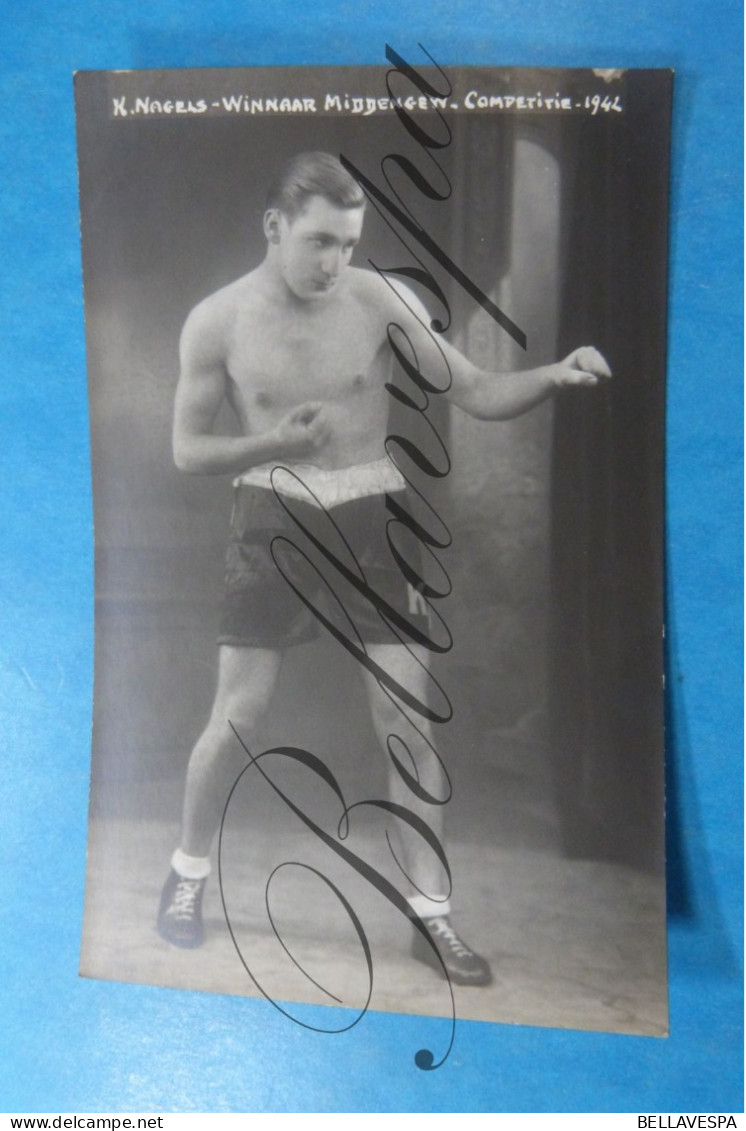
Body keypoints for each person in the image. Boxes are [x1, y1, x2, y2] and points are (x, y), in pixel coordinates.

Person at [157, 151, 610, 986]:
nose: (337, 263)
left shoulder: (381, 301)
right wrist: (274, 443)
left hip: (373, 515)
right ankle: (186, 875)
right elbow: (187, 450)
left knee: (409, 726)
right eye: (321, 242)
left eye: (350, 243)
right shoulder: (216, 321)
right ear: (274, 227)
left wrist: (553, 373)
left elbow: (472, 390)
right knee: (240, 717)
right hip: (272, 515)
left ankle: (431, 916)